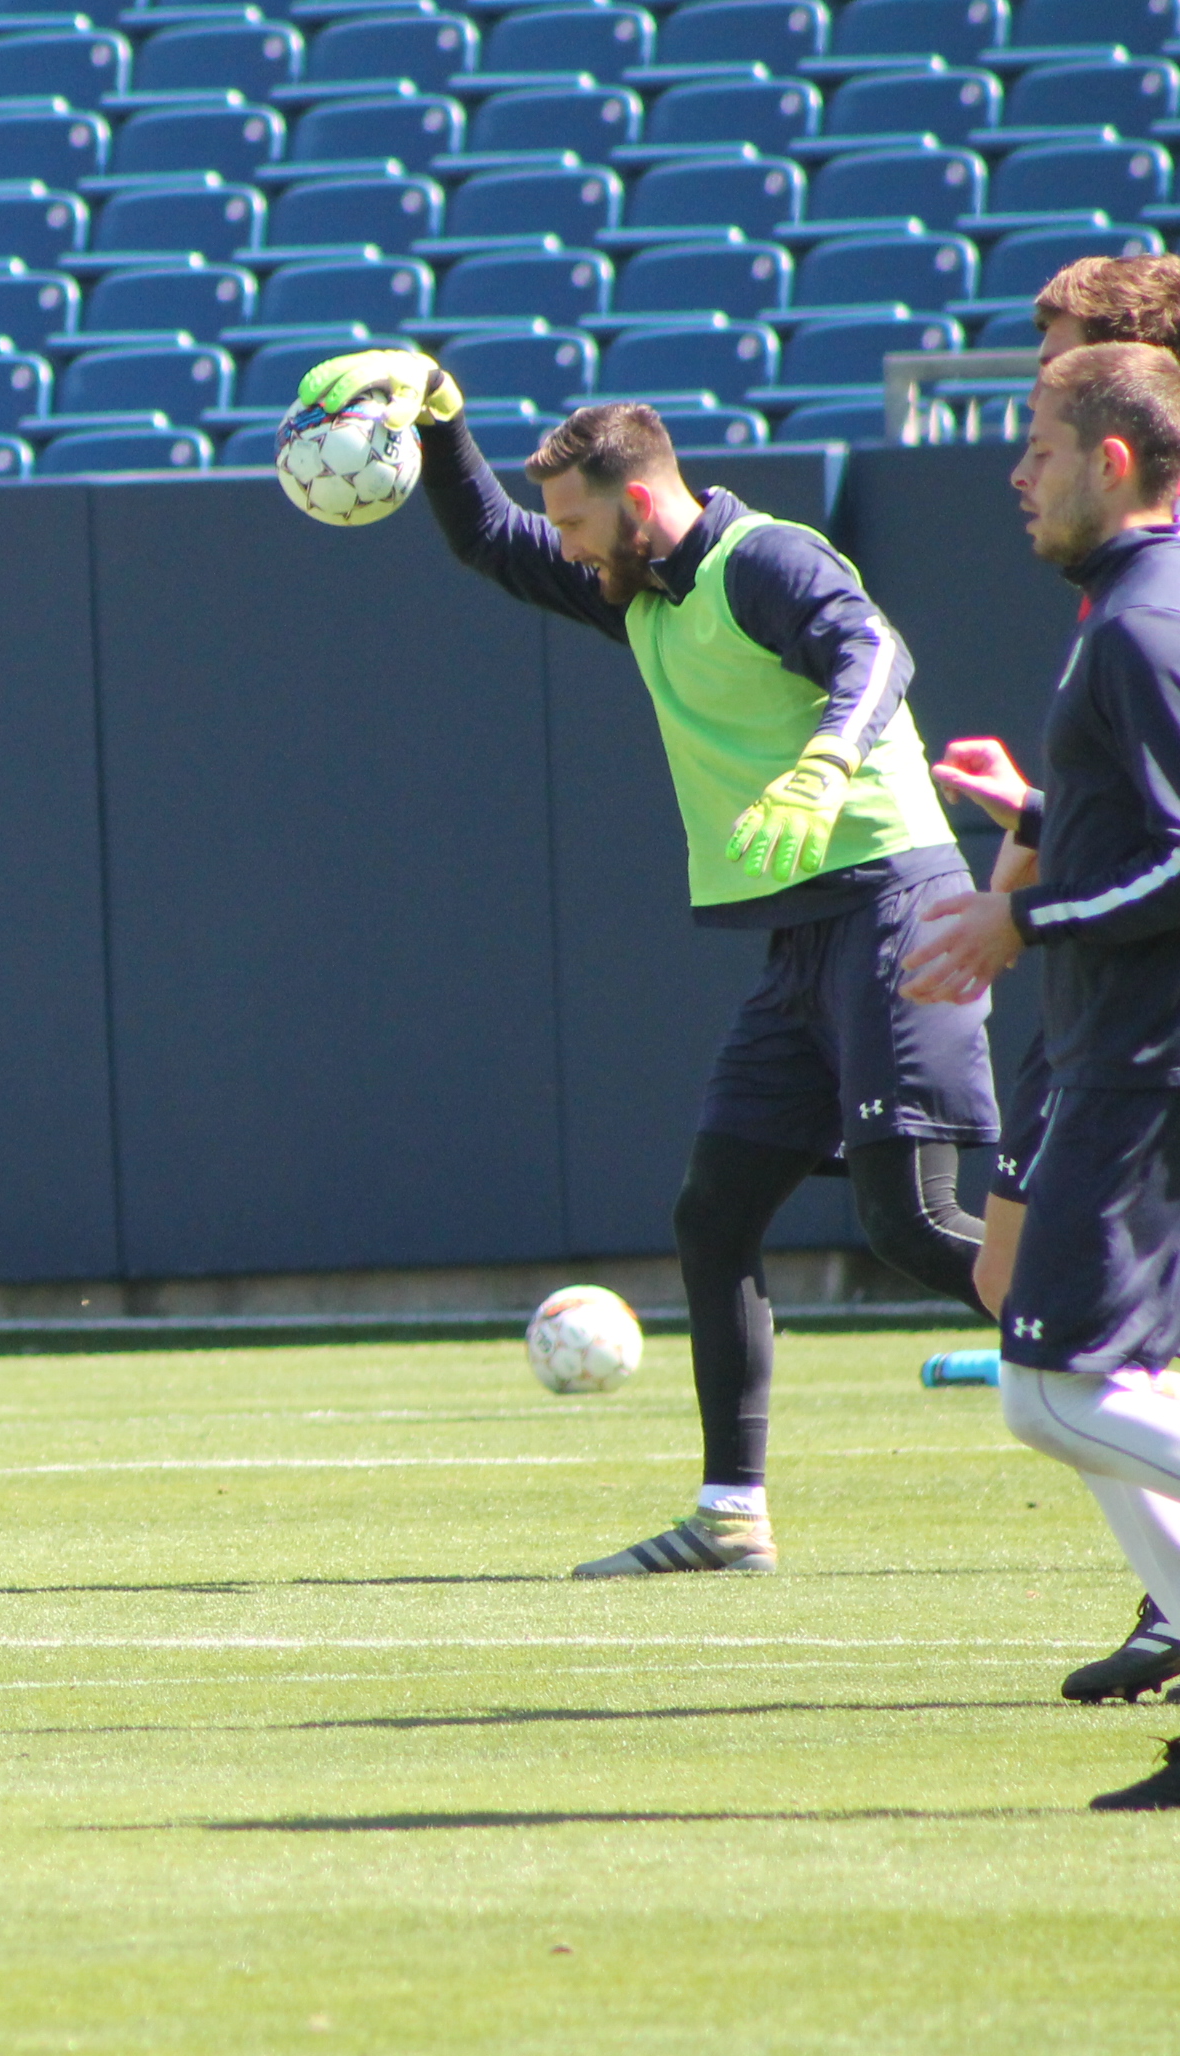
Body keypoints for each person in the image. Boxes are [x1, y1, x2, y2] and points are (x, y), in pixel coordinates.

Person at [298, 353, 996, 1579]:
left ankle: (1134, 1352)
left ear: (635, 503)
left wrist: (827, 761)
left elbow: (874, 651)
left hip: (897, 905)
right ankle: (730, 1517)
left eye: (574, 523)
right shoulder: (636, 590)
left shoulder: (762, 558)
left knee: (914, 1221)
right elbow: (489, 540)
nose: (562, 546)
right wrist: (443, 417)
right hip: (801, 937)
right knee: (713, 1212)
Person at [898, 343, 1180, 1808]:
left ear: (1113, 461)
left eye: (1039, 446)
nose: (1016, 474)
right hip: (1119, 1054)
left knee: (1050, 1390)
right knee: (1098, 1378)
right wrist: (1036, 818)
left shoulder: (1144, 620)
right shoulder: (1127, 610)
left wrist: (1024, 917)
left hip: (1143, 1067)